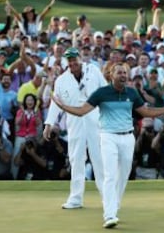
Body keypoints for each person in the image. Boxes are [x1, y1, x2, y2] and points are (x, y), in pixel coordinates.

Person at [51, 62, 164, 228]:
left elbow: (146, 112)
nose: (123, 76)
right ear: (111, 75)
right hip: (108, 137)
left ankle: (114, 204)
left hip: (127, 137)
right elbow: (82, 111)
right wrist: (62, 106)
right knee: (110, 175)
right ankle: (109, 214)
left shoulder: (132, 93)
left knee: (123, 174)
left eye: (125, 73)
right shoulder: (101, 93)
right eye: (120, 73)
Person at [43, 47, 107, 210]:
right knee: (76, 159)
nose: (72, 62)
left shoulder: (93, 70)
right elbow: (55, 104)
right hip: (74, 123)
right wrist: (48, 124)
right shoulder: (61, 80)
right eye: (69, 60)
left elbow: (105, 92)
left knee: (99, 159)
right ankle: (76, 198)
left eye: (74, 59)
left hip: (95, 121)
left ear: (80, 58)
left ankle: (108, 197)